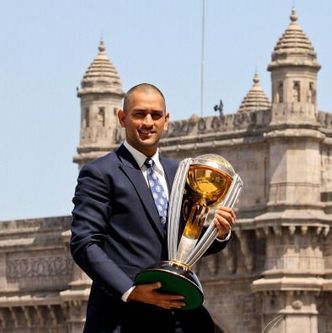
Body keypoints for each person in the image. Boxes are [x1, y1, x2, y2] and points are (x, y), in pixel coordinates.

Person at [70, 83, 236, 332]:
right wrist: (131, 291)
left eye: (156, 115)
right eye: (139, 114)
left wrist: (219, 233)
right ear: (122, 118)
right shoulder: (100, 173)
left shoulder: (181, 173)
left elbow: (183, 242)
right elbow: (84, 244)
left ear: (166, 121)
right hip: (121, 319)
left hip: (177, 318)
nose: (148, 122)